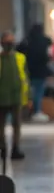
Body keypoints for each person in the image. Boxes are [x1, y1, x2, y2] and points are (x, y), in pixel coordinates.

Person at [0, 31, 29, 160]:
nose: (9, 43)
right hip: (1, 97)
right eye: (7, 40)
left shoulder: (20, 57)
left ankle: (15, 149)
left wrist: (29, 97)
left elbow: (25, 77)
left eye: (11, 40)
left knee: (17, 124)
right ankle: (2, 148)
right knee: (1, 125)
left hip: (16, 96)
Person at [17, 24, 52, 122]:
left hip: (28, 70)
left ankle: (25, 111)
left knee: (28, 92)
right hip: (41, 71)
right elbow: (48, 56)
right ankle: (37, 111)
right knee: (39, 92)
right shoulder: (45, 40)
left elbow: (18, 50)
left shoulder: (27, 40)